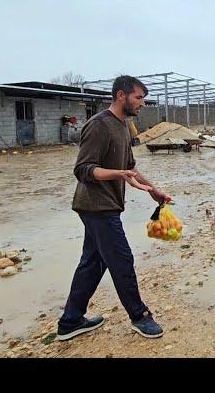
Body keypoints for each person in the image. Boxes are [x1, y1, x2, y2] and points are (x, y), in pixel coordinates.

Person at [56, 75, 172, 341]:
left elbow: (130, 168)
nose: (142, 103)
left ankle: (70, 321)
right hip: (96, 206)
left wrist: (155, 191)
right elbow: (83, 169)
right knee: (121, 259)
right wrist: (116, 175)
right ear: (121, 95)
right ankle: (139, 316)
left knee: (93, 262)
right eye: (138, 98)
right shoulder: (98, 125)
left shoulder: (124, 125)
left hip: (106, 204)